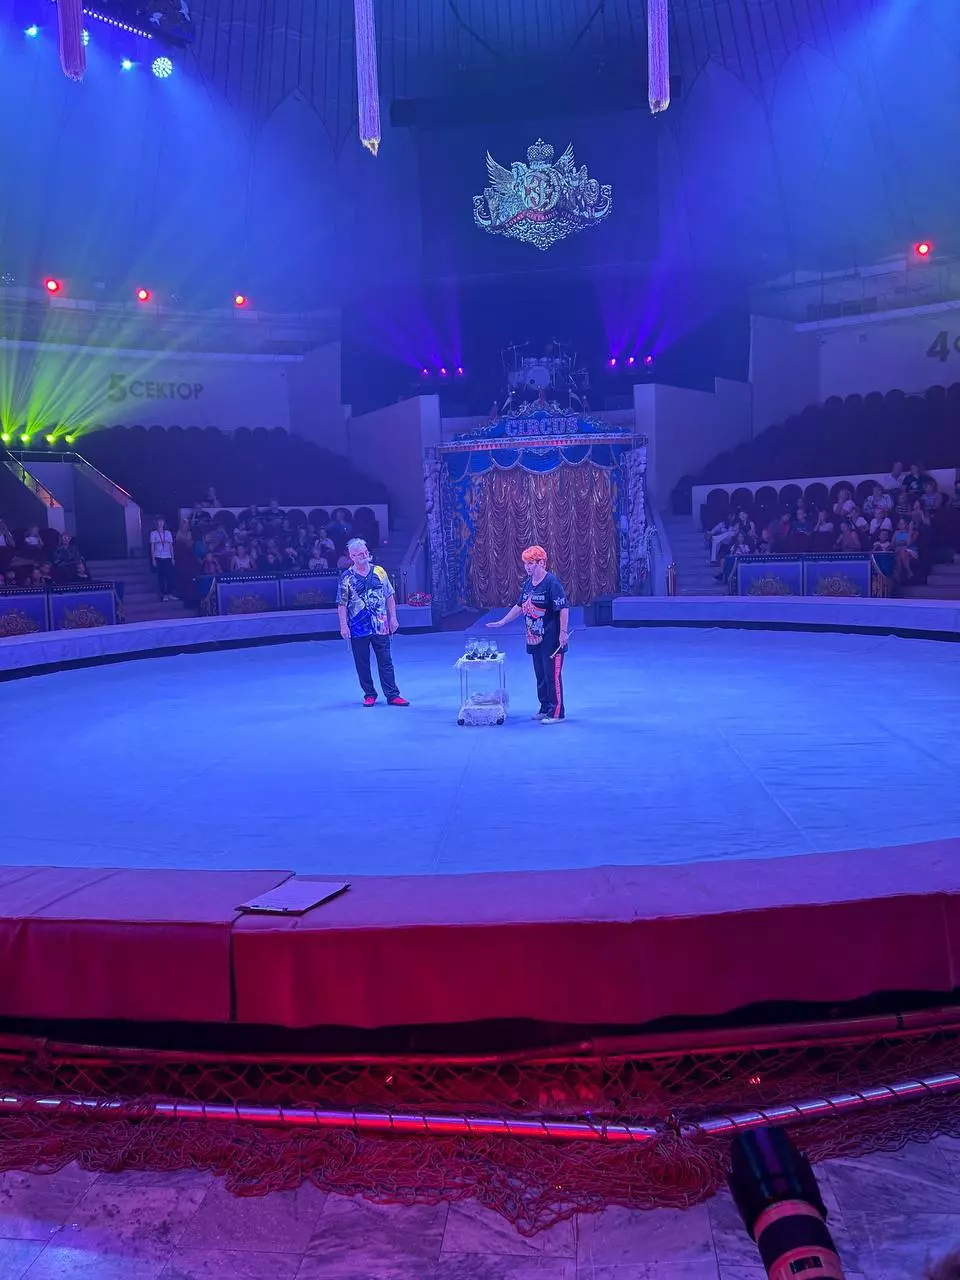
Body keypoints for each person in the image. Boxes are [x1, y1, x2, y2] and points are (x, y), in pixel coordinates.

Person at [486, 545, 569, 723]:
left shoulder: (552, 583)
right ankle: (545, 708)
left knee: (552, 676)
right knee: (540, 675)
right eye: (525, 563)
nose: (527, 567)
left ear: (542, 563)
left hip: (551, 640)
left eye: (531, 563)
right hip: (533, 638)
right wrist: (502, 622)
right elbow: (520, 606)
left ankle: (556, 713)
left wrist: (563, 633)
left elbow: (563, 608)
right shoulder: (528, 584)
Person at [337, 537, 409, 707]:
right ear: (352, 556)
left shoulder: (379, 571)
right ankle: (369, 694)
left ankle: (392, 695)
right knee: (362, 663)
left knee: (386, 661)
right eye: (360, 554)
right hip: (358, 628)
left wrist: (393, 617)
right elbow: (342, 604)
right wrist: (343, 626)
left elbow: (389, 595)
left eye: (365, 552)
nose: (364, 555)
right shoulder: (346, 577)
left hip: (381, 625)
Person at [149, 515, 176, 601]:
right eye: (159, 521)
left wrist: (173, 558)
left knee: (169, 576)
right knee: (161, 576)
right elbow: (152, 547)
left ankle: (170, 593)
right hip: (158, 557)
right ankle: (164, 594)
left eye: (162, 521)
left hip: (167, 557)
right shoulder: (153, 533)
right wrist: (153, 559)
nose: (161, 523)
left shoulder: (168, 533)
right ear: (157, 523)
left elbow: (171, 546)